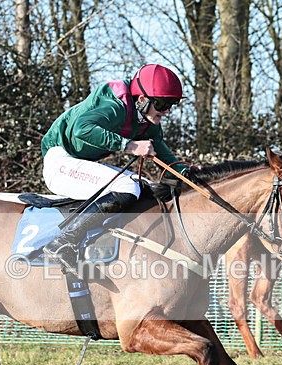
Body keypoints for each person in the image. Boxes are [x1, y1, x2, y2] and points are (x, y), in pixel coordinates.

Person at [40, 63, 189, 273]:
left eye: (171, 104)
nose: (166, 111)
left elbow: (164, 154)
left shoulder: (147, 119)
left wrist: (188, 174)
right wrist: (130, 145)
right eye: (163, 103)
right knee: (128, 187)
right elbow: (82, 129)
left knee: (145, 186)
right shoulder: (115, 106)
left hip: (78, 163)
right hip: (59, 161)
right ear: (142, 99)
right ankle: (63, 242)